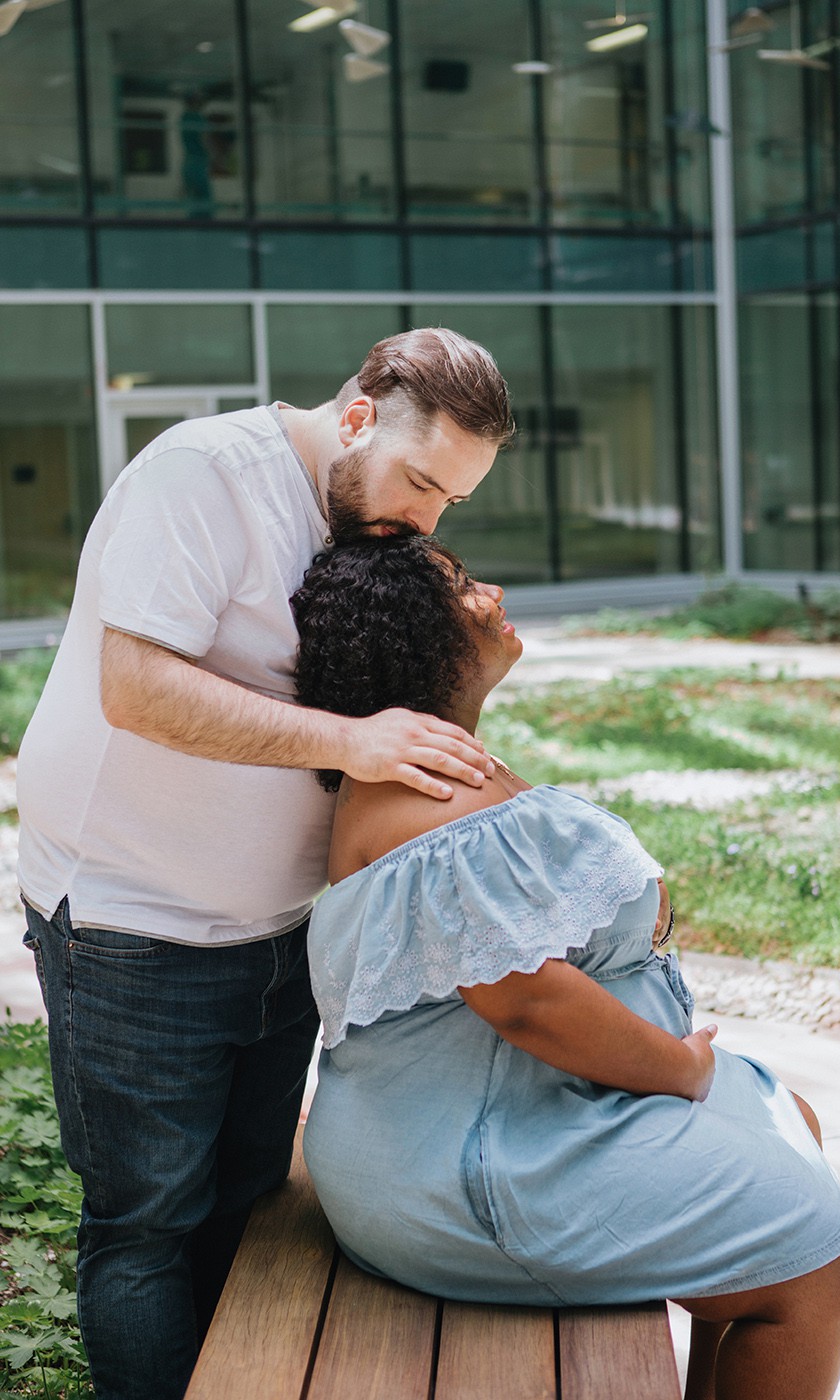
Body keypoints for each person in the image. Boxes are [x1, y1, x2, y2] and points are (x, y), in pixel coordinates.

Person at [16, 329, 514, 1400]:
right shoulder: (205, 476)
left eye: (451, 503)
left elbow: (397, 738)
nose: (424, 519)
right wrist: (348, 739)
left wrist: (475, 680)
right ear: (354, 417)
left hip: (286, 934)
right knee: (145, 1226)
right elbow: (137, 686)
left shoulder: (371, 524)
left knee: (245, 1202)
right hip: (128, 926)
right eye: (420, 479)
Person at [291, 536, 840, 1400]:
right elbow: (526, 1006)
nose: (489, 591)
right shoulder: (429, 797)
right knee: (820, 1259)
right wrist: (675, 1067)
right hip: (473, 1168)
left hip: (488, 1126)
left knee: (789, 1123)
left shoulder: (425, 775)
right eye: (460, 584)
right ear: (415, 628)